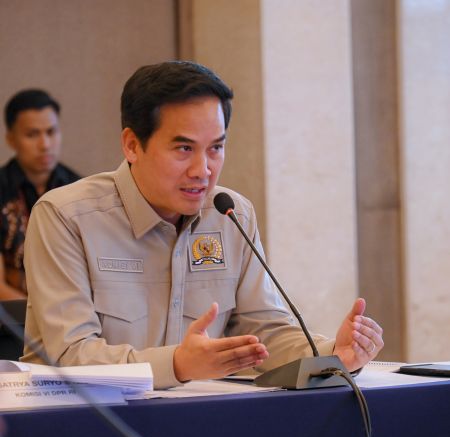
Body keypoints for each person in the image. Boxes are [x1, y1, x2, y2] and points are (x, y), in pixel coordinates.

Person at [21, 62, 383, 388]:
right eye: (184, 149)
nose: (203, 170)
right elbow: (70, 356)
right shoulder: (65, 216)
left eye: (215, 148)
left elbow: (265, 336)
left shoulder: (231, 214)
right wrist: (177, 365)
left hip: (199, 421)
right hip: (82, 425)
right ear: (132, 145)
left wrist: (333, 355)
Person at [0, 89, 80, 299]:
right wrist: (41, 314)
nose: (45, 145)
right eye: (32, 134)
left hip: (72, 312)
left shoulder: (80, 188)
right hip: (10, 316)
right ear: (11, 139)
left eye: (51, 132)